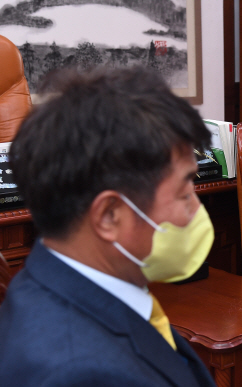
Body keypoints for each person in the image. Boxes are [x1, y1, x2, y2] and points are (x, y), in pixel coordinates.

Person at [0, 67, 216, 387]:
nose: (196, 211)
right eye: (184, 193)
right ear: (109, 216)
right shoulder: (81, 373)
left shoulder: (50, 284)